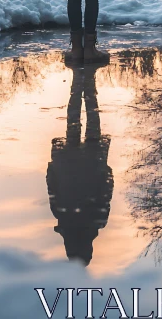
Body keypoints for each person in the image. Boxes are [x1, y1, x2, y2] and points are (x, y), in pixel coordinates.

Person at [46, 66, 114, 266]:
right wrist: (52, 169)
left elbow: (106, 190)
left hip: (92, 164)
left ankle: (87, 81)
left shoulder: (98, 221)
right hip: (68, 163)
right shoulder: (61, 217)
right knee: (73, 122)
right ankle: (79, 82)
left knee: (92, 120)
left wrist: (107, 171)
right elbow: (52, 187)